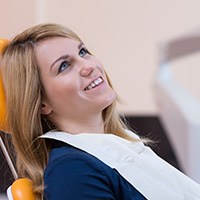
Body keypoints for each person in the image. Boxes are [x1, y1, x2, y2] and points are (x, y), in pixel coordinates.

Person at [0, 23, 200, 200]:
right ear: (42, 103)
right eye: (64, 66)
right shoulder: (72, 171)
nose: (88, 66)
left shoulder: (120, 147)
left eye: (83, 52)